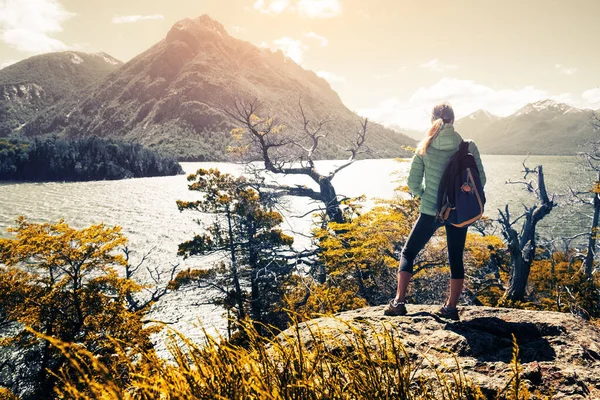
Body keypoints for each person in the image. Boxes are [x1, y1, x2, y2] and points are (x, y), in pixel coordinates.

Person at [384, 102, 486, 320]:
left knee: (409, 253)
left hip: (430, 211)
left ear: (432, 120)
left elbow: (412, 185)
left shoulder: (424, 146)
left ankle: (399, 302)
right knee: (455, 257)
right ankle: (450, 308)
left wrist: (429, 195)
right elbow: (481, 180)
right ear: (454, 120)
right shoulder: (468, 146)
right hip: (458, 211)